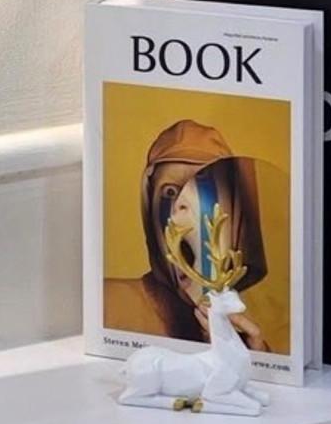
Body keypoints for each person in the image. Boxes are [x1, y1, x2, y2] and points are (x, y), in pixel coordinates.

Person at [103, 117, 271, 350]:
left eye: (203, 189)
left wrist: (255, 359)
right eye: (170, 191)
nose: (181, 204)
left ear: (235, 211)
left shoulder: (247, 339)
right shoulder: (107, 304)